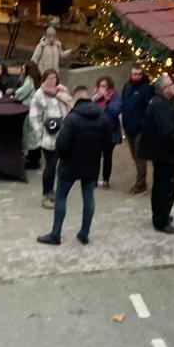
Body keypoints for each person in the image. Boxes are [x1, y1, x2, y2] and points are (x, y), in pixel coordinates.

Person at [38, 87, 109, 246]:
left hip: (70, 165)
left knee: (61, 197)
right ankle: (84, 233)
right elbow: (107, 141)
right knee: (89, 197)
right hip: (91, 164)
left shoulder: (71, 119)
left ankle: (55, 234)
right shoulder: (102, 116)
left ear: (75, 100)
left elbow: (61, 144)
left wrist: (64, 157)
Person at [138, 74, 174, 234]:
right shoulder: (160, 105)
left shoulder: (163, 103)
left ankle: (161, 215)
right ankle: (161, 220)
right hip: (164, 153)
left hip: (163, 153)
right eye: (171, 84)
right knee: (164, 186)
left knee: (162, 185)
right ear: (165, 89)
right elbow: (167, 132)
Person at [27, 69, 74, 209]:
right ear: (44, 79)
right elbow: (34, 117)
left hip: (64, 133)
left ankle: (56, 192)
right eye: (49, 78)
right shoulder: (39, 95)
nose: (52, 80)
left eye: (54, 78)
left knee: (63, 166)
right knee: (51, 166)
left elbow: (70, 106)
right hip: (48, 136)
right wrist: (40, 133)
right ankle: (46, 194)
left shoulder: (62, 92)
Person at [120, 64, 153, 194]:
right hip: (128, 127)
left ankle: (141, 184)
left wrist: (144, 124)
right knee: (134, 156)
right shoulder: (127, 87)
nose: (137, 76)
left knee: (140, 156)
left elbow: (149, 108)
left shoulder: (146, 89)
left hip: (140, 128)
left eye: (139, 74)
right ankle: (141, 181)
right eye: (135, 74)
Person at [92, 76, 122, 188]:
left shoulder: (115, 98)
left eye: (104, 86)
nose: (102, 89)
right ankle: (93, 180)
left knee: (107, 157)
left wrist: (107, 100)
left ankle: (106, 180)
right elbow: (89, 111)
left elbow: (115, 112)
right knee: (95, 157)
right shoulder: (95, 98)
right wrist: (94, 99)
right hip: (96, 132)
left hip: (110, 133)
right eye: (100, 86)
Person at [13, 61, 43, 169]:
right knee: (34, 135)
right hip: (36, 110)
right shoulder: (36, 79)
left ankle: (33, 161)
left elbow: (20, 93)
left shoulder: (29, 81)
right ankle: (35, 158)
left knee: (30, 136)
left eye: (23, 68)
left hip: (30, 110)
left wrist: (13, 93)